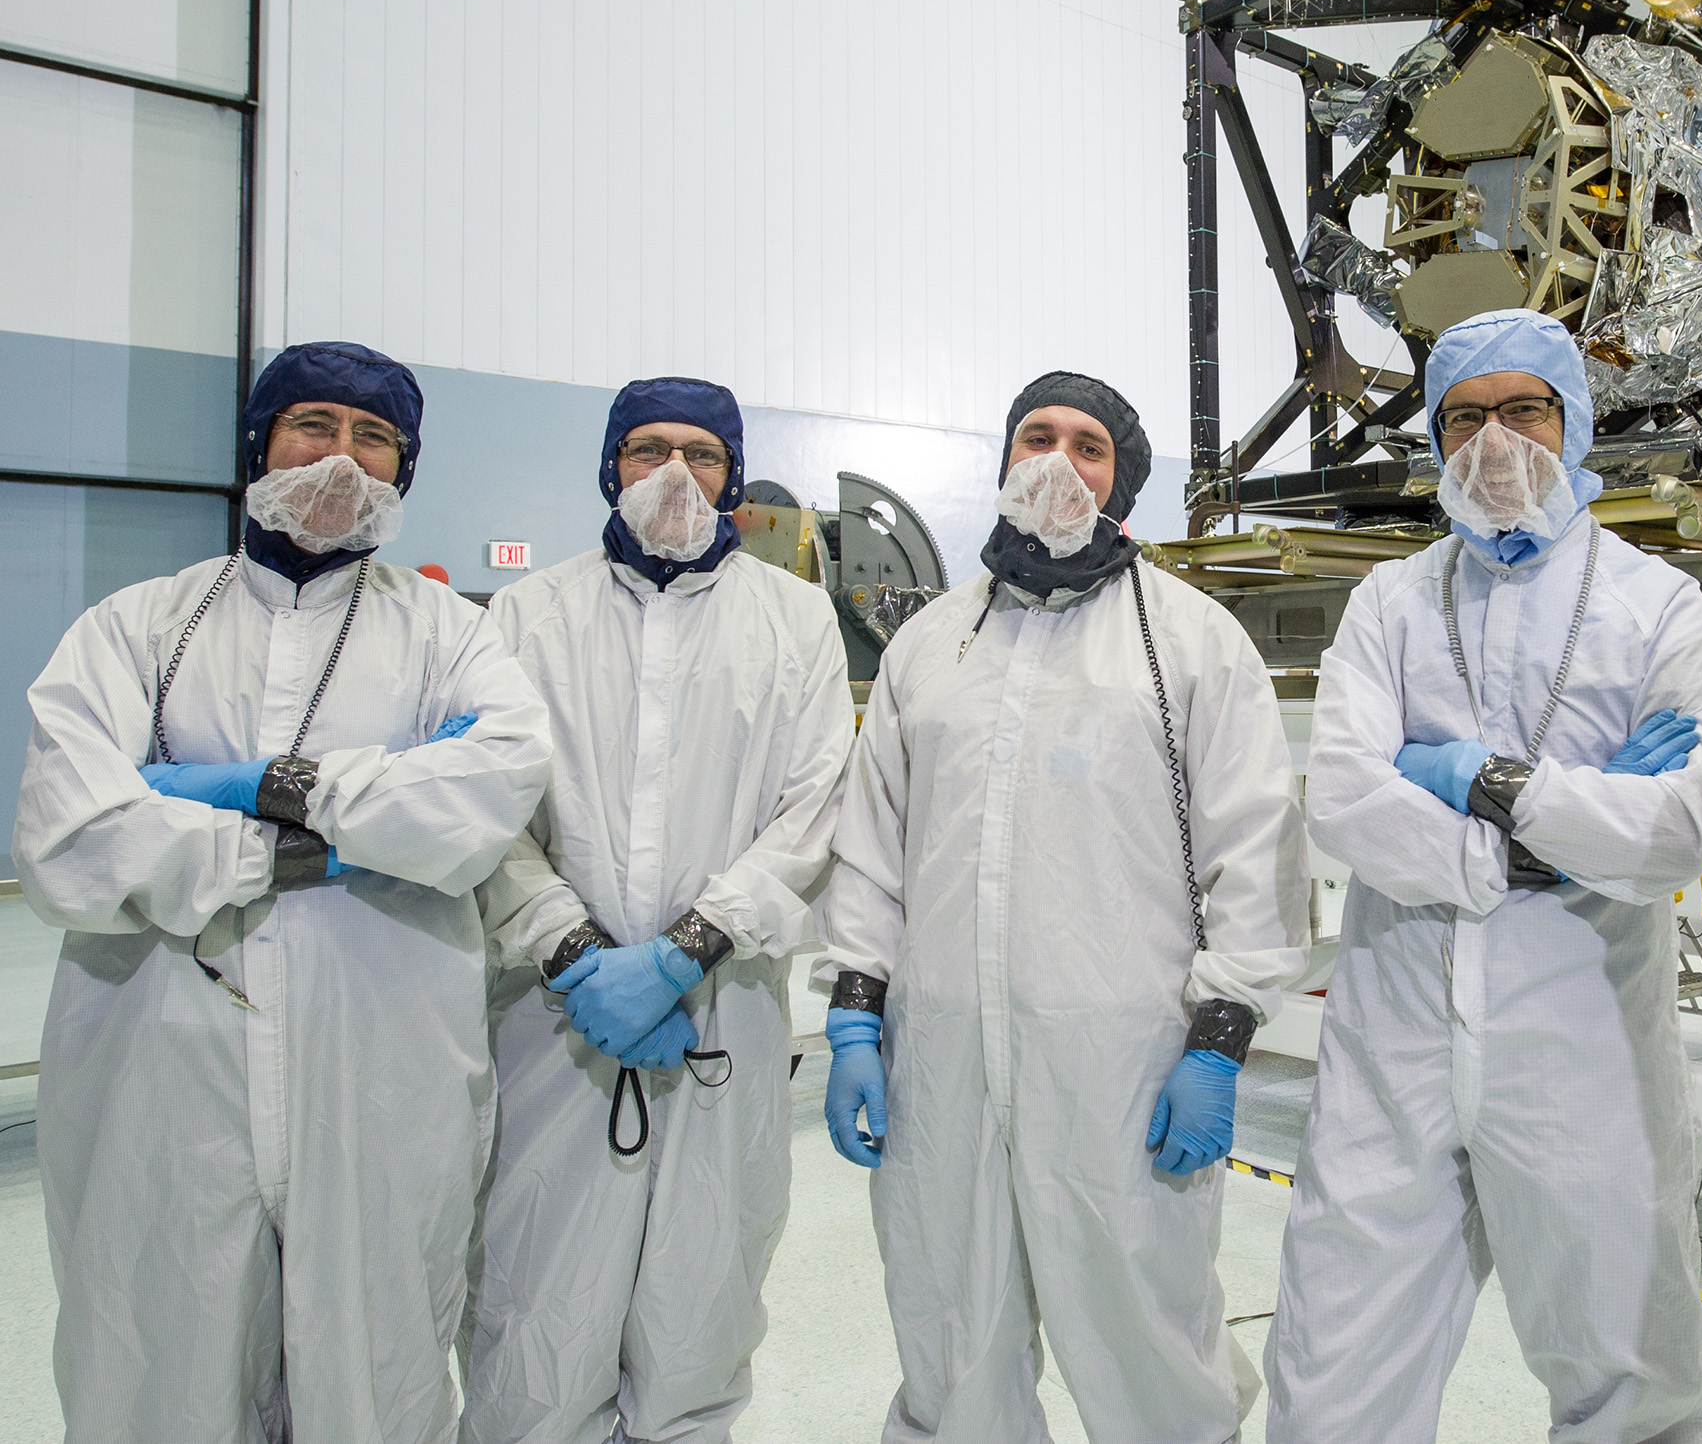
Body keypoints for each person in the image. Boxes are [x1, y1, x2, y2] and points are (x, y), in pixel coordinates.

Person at [12, 341, 553, 1442]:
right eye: (314, 424)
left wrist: (247, 792)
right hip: (156, 1065)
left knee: (377, 1376)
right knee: (153, 1368)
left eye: (374, 437)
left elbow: (485, 798)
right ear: (260, 441)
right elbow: (71, 842)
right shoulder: (134, 626)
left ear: (405, 468)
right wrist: (357, 824)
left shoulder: (453, 635)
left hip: (382, 1064)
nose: (341, 457)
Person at [816, 370, 1310, 1444]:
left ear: (1122, 479)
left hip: (1121, 1065)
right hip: (940, 1061)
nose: (1057, 462)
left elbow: (1256, 849)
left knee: (1146, 1336)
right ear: (1004, 458)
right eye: (1035, 436)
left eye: (1088, 445)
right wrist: (855, 1016)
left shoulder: (1188, 638)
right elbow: (872, 844)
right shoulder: (933, 642)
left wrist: (1220, 1040)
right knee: (951, 1331)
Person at [1265, 307, 1702, 1444]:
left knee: (1631, 1370)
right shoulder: (1389, 602)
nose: (1496, 440)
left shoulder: (1656, 603)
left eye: (1525, 410)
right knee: (1333, 1370)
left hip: (1586, 1045)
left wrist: (1475, 779)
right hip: (1395, 1041)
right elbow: (1348, 796)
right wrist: (1562, 825)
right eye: (1465, 418)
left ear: (1575, 423)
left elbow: (1676, 830)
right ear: (1435, 441)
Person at [460, 378, 853, 1443]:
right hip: (554, 1012)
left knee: (704, 1296)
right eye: (648, 450)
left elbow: (814, 809)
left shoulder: (795, 619)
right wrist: (574, 950)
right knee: (534, 1297)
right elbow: (489, 808)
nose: (675, 472)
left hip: (723, 1005)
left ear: (734, 480)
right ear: (610, 467)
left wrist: (684, 952)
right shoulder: (528, 614)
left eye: (702, 454)